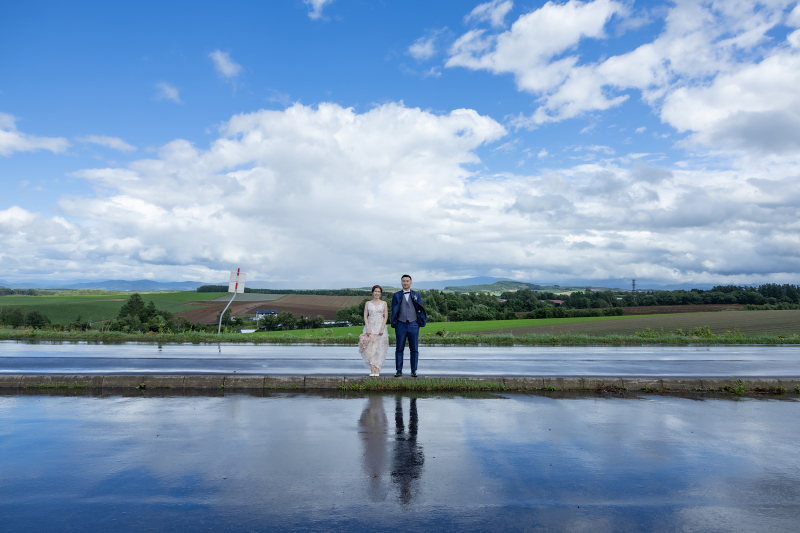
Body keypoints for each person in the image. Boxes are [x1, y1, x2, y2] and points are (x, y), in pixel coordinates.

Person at [390, 274, 427, 377]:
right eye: (403, 281)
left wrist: (419, 321)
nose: (405, 283)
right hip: (400, 324)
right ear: (401, 282)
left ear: (410, 282)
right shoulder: (396, 295)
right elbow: (393, 310)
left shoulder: (416, 294)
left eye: (407, 281)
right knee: (399, 348)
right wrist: (395, 322)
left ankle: (414, 370)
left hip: (413, 324)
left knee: (414, 349)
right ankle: (398, 370)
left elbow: (420, 309)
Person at [359, 284, 389, 376]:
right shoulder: (368, 303)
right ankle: (372, 370)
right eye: (375, 291)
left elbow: (386, 316)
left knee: (379, 348)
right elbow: (365, 316)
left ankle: (377, 369)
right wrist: (367, 328)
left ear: (381, 293)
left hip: (380, 328)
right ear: (373, 292)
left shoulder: (384, 303)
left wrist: (382, 328)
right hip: (370, 327)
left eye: (379, 292)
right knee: (370, 348)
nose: (377, 293)